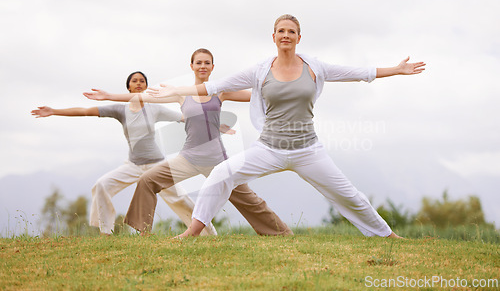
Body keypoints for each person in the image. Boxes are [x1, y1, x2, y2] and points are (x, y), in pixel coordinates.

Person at [149, 14, 426, 238]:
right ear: (273, 37)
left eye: (291, 31)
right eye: (281, 31)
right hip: (269, 148)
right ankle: (194, 232)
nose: (285, 35)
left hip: (308, 150)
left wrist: (396, 69)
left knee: (348, 194)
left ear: (298, 37)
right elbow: (217, 85)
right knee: (221, 173)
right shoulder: (260, 70)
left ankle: (387, 236)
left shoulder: (314, 67)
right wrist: (178, 90)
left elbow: (356, 74)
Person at [84, 49, 292, 236]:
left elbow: (257, 96)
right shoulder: (181, 93)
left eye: (207, 62)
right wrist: (108, 95)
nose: (202, 66)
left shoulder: (221, 91)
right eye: (198, 62)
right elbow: (144, 98)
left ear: (212, 67)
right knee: (147, 180)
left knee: (248, 200)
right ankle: (144, 234)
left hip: (217, 161)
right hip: (188, 158)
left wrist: (282, 89)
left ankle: (281, 232)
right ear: (191, 66)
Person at [32, 71, 216, 235]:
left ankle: (208, 233)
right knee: (102, 185)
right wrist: (54, 111)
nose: (138, 83)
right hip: (133, 165)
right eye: (134, 81)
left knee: (180, 198)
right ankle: (106, 231)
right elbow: (86, 111)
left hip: (157, 165)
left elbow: (184, 117)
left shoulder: (154, 108)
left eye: (142, 81)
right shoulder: (120, 109)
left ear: (146, 86)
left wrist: (214, 125)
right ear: (128, 86)